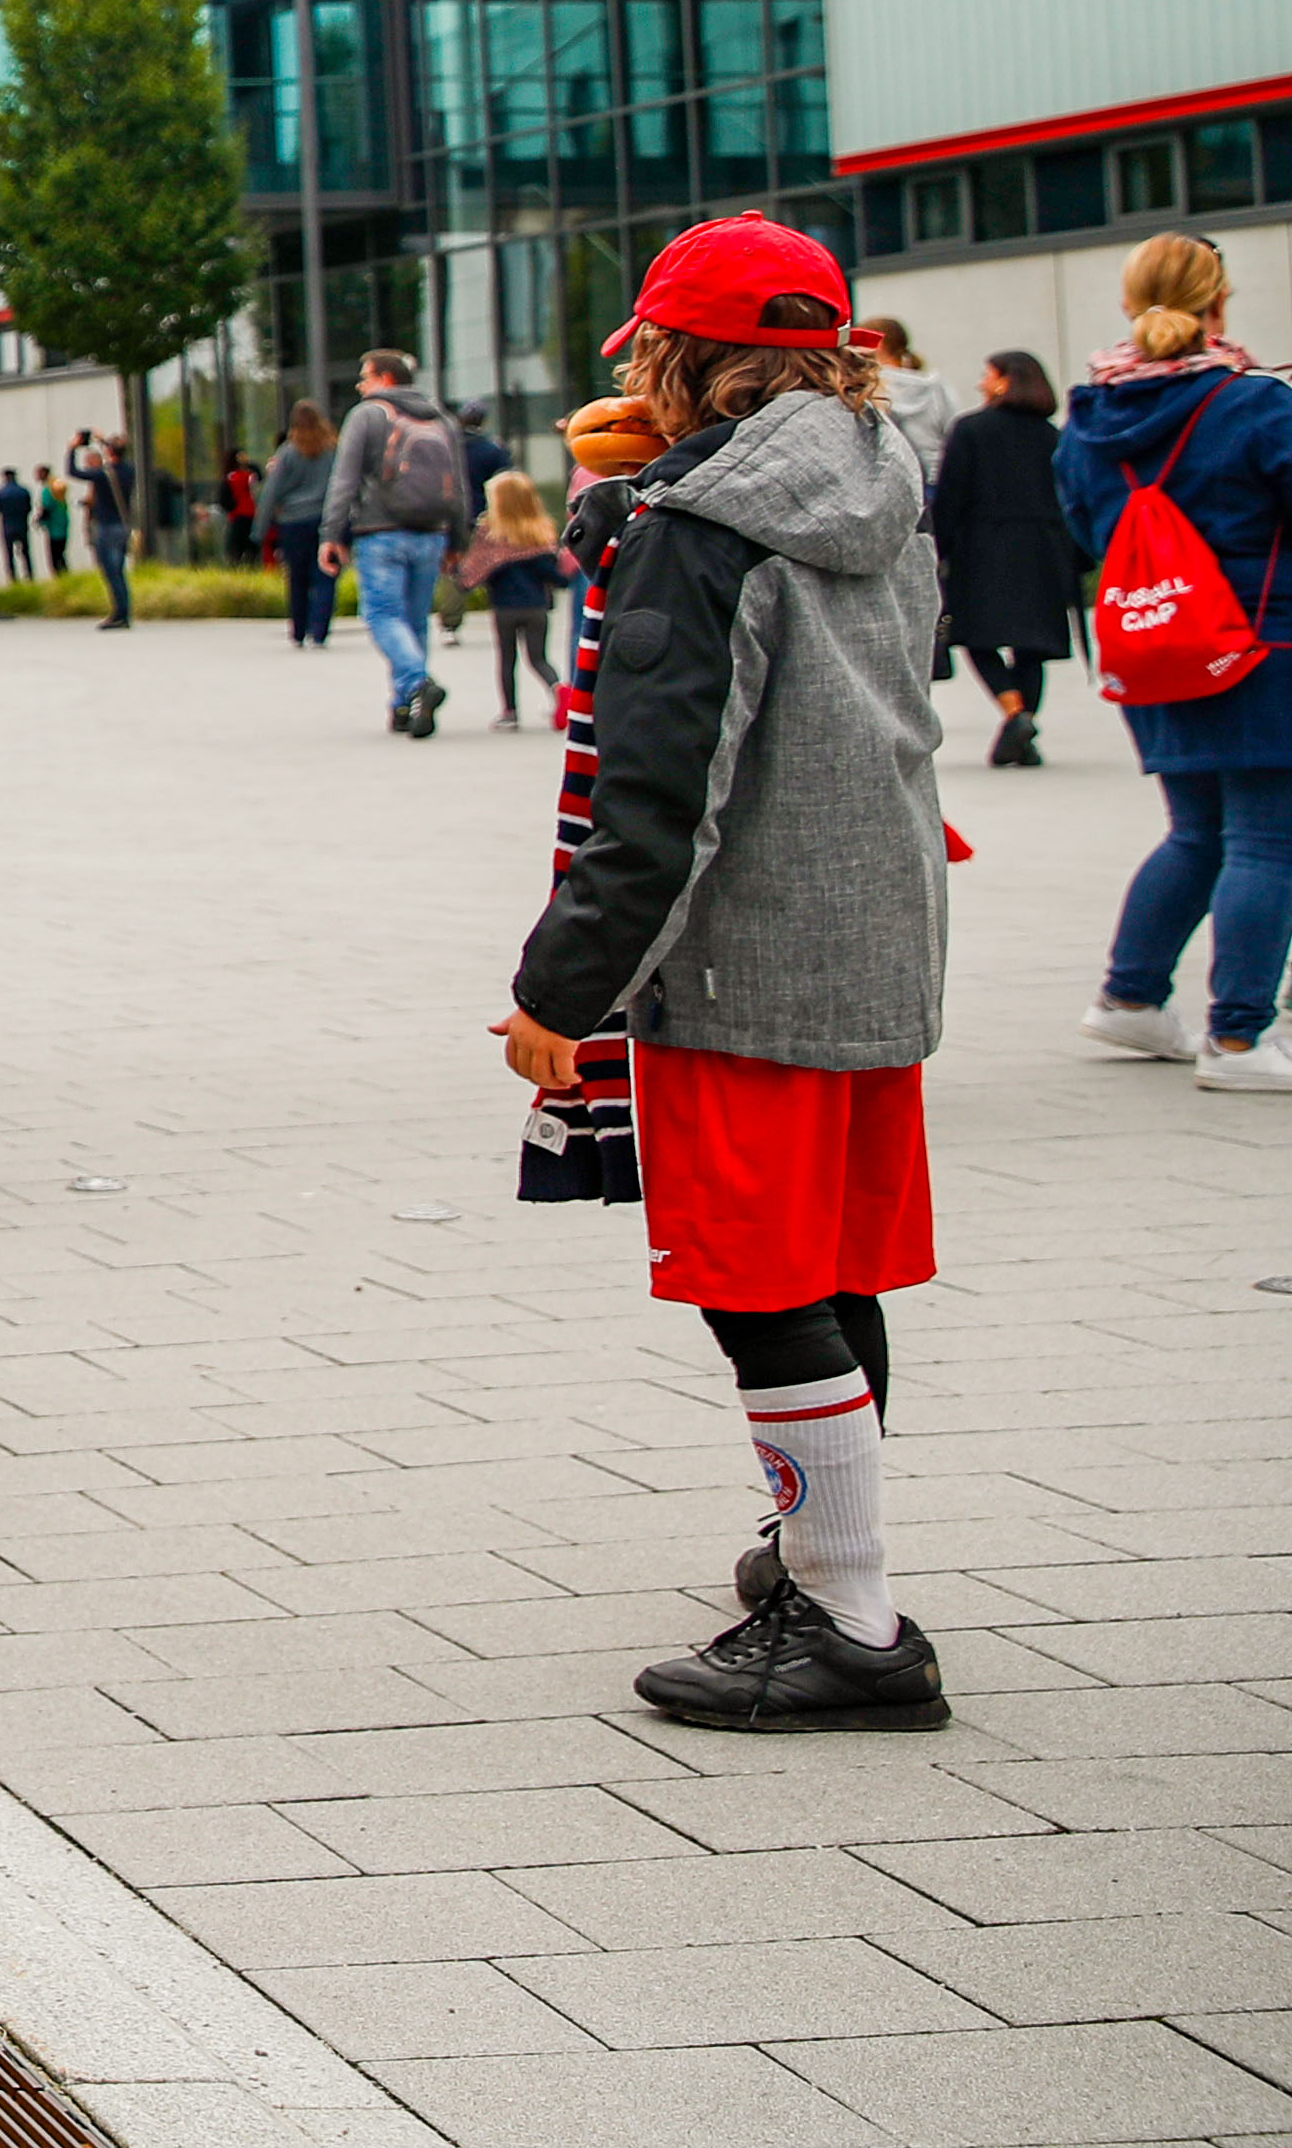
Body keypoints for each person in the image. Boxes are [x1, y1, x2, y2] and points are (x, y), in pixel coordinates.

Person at [496, 215, 950, 1733]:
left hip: (745, 947)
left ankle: (851, 1613)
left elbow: (658, 791)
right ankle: (824, 1555)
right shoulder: (879, 478)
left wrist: (562, 990)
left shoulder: (701, 524)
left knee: (760, 1285)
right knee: (834, 1263)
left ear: (682, 360)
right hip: (874, 924)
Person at [1054, 234, 1292, 1088]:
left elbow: (1086, 530)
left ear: (1130, 304)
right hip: (1262, 644)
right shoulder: (1255, 406)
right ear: (1219, 303)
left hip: (1152, 641)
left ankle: (1132, 1000)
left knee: (1196, 831)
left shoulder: (1088, 417)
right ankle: (1236, 1039)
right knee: (1268, 839)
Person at [935, 349, 1077, 772]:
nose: (981, 382)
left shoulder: (971, 430)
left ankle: (1014, 714)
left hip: (984, 551)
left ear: (1004, 380)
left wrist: (938, 549)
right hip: (1044, 551)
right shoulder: (1053, 436)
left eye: (987, 374)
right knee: (1031, 646)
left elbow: (950, 497)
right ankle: (1024, 723)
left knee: (977, 638)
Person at [323, 347, 472, 739]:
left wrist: (331, 535)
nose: (361, 384)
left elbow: (345, 480)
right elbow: (458, 486)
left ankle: (417, 684)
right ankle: (404, 705)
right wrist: (458, 538)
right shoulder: (441, 417)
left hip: (380, 532)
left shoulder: (368, 415)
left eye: (365, 376)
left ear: (385, 379)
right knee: (413, 620)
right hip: (432, 533)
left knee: (382, 616)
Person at [449, 469, 577, 733]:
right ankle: (560, 691)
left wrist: (458, 575)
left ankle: (510, 712)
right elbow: (557, 577)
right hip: (536, 608)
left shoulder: (490, 534)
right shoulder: (539, 534)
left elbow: (470, 576)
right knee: (538, 658)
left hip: (504, 608)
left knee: (507, 660)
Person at [263, 405, 339, 647]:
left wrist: (261, 526)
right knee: (325, 575)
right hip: (325, 518)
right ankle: (320, 631)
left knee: (297, 578)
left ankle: (298, 630)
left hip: (293, 521)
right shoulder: (332, 450)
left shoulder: (287, 452)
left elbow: (272, 490)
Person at [872, 311, 965, 482]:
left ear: (878, 345)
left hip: (897, 481)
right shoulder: (936, 385)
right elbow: (954, 430)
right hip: (940, 478)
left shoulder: (873, 388)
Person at [72, 433, 136, 628]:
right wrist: (103, 440)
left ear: (109, 451)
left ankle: (120, 614)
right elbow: (116, 452)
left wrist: (72, 447)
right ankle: (123, 612)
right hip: (123, 526)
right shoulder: (129, 470)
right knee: (119, 571)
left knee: (111, 572)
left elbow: (73, 472)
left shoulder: (103, 474)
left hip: (106, 527)